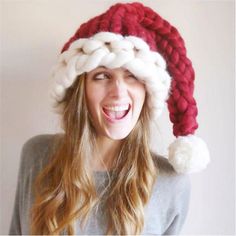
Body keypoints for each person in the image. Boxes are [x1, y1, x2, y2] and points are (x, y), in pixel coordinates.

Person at [9, 2, 210, 235]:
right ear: (79, 89)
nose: (118, 91)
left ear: (147, 91)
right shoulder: (37, 156)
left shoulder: (171, 183)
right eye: (102, 75)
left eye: (132, 76)